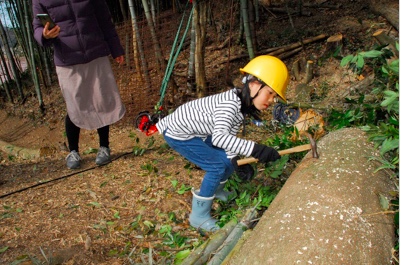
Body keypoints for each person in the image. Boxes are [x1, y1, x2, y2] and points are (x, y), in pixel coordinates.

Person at [156, 55, 290, 232]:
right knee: (217, 166)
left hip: (200, 132)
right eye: (270, 93)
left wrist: (236, 160)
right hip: (178, 133)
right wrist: (255, 150)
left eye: (275, 96)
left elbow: (228, 137)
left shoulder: (241, 105)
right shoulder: (229, 104)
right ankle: (198, 216)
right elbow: (219, 138)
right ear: (254, 85)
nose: (272, 100)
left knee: (226, 160)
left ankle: (216, 191)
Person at [32, 0, 126, 169]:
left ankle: (104, 147)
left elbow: (104, 20)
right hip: (66, 58)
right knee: (75, 105)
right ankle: (73, 151)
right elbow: (37, 28)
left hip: (95, 51)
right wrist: (44, 35)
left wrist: (116, 48)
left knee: (101, 100)